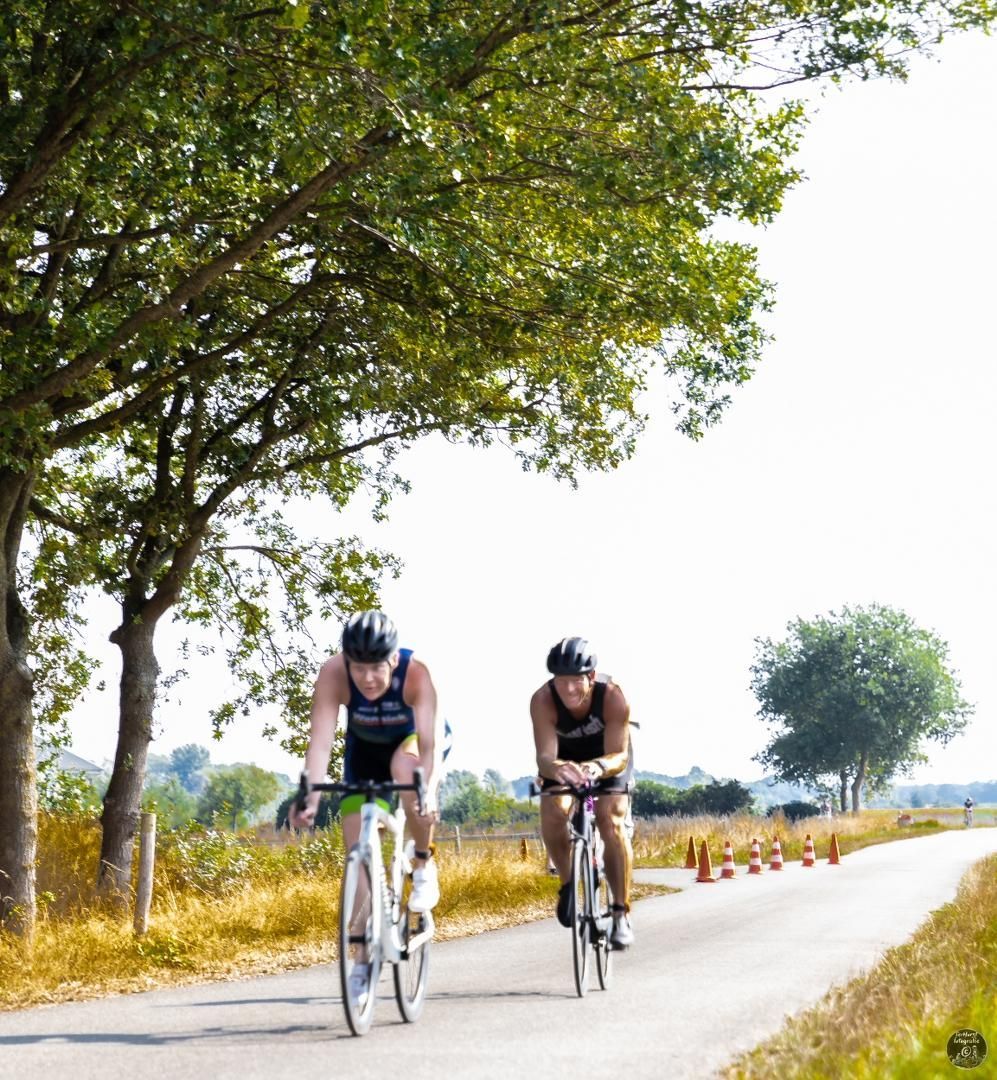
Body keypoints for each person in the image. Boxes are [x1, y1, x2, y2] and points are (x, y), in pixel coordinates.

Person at [289, 610, 443, 996]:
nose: (368, 679)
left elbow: (430, 746)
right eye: (359, 668)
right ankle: (361, 960)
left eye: (376, 667)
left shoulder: (416, 673)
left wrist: (429, 791)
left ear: (393, 658)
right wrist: (308, 795)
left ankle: (422, 862)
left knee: (408, 772)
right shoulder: (333, 674)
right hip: (365, 751)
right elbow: (321, 742)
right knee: (356, 849)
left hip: (412, 747)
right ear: (347, 662)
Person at [530, 636, 635, 949]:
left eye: (576, 681)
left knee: (609, 821)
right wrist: (557, 768)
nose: (569, 690)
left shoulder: (613, 697)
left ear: (591, 677)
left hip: (607, 761)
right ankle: (567, 883)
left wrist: (598, 768)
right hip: (564, 760)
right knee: (552, 810)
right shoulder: (542, 700)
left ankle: (620, 914)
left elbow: (620, 755)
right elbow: (545, 757)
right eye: (561, 682)